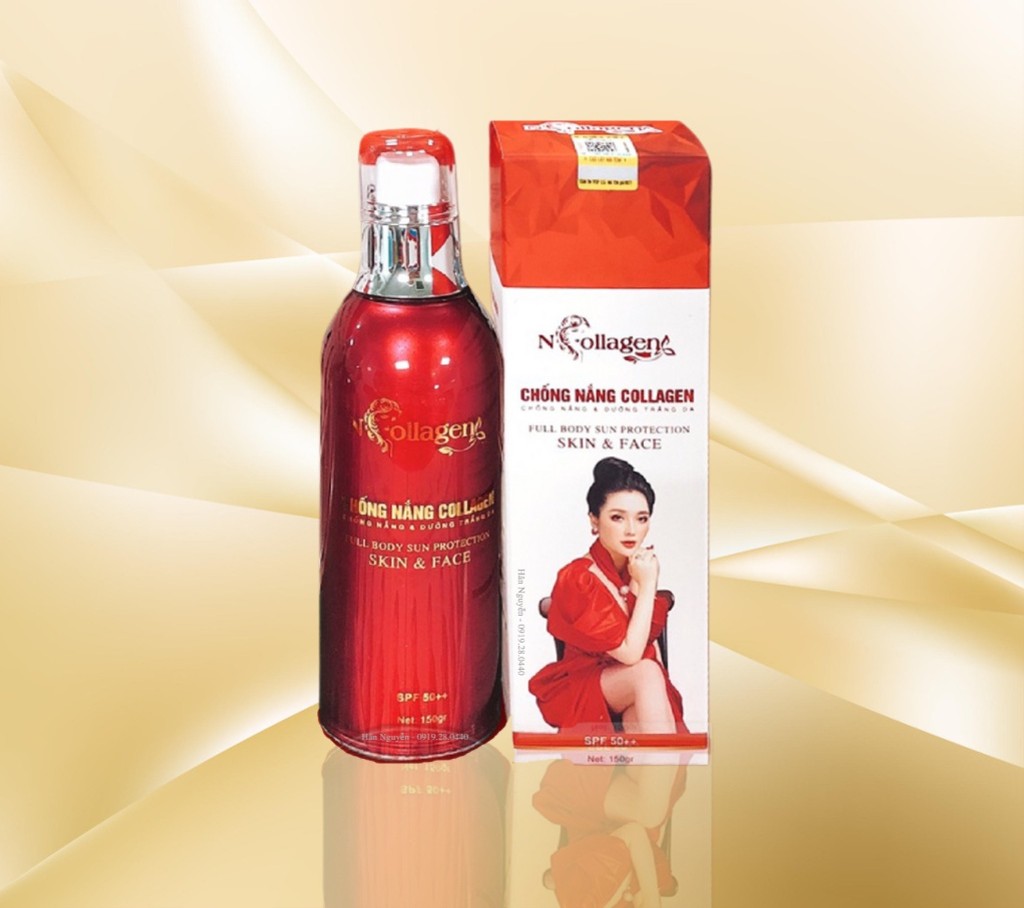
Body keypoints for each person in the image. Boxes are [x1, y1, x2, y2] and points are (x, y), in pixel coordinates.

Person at [530, 458, 687, 734]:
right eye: (617, 517)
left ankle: (658, 762)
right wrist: (648, 584)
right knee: (646, 672)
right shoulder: (578, 578)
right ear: (594, 520)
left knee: (644, 704)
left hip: (632, 684)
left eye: (641, 518)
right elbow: (631, 654)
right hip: (585, 683)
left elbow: (648, 647)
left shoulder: (635, 568)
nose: (631, 530)